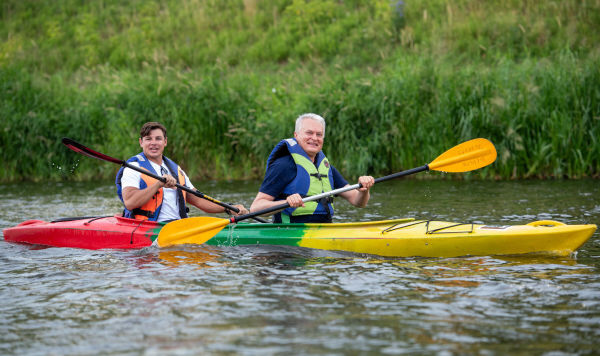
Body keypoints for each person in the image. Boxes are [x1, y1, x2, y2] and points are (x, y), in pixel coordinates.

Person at [250, 113, 375, 223]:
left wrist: (364, 190)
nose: (314, 138)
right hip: (290, 235)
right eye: (309, 133)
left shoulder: (326, 168)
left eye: (319, 134)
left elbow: (358, 202)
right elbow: (256, 207)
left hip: (324, 230)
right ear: (296, 135)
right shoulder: (283, 166)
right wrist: (286, 203)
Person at [116, 122, 248, 222]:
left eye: (158, 139)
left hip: (177, 226)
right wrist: (158, 184)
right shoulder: (133, 167)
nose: (153, 143)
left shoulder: (175, 169)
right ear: (141, 142)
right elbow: (130, 202)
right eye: (148, 139)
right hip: (148, 228)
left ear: (165, 142)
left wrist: (228, 208)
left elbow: (198, 199)